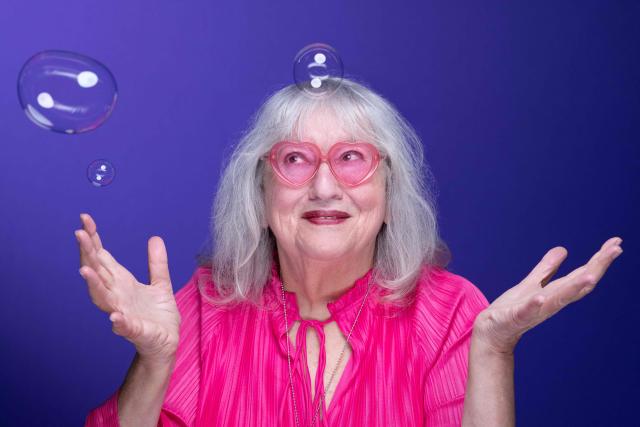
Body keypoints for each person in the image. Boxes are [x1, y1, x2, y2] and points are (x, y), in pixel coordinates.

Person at [78, 78, 622, 426]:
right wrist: (153, 363)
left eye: (351, 158)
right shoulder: (206, 304)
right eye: (295, 159)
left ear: (389, 192)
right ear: (260, 192)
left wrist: (494, 350)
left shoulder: (451, 311)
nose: (323, 187)